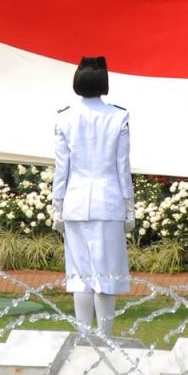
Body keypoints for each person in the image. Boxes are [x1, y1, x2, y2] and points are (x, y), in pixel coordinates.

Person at [52, 56, 133, 338]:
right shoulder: (118, 116)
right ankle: (105, 334)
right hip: (108, 200)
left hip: (75, 201)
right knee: (106, 275)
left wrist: (57, 206)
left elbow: (61, 169)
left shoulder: (65, 117)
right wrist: (129, 207)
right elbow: (123, 167)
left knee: (80, 275)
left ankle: (84, 335)